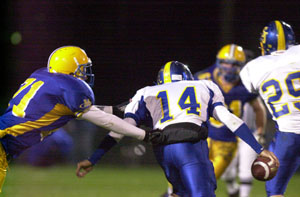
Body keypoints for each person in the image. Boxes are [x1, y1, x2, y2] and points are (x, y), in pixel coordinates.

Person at [76, 61, 278, 197]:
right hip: (190, 146)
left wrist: (94, 158)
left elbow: (121, 128)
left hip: (163, 150)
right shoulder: (204, 85)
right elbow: (228, 119)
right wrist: (260, 149)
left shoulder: (146, 92)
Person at [0, 45, 159, 193]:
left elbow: (81, 110)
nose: (85, 74)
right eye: (82, 69)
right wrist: (144, 135)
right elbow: (106, 121)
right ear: (69, 70)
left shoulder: (44, 78)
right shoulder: (69, 88)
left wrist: (115, 110)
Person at [193, 44, 267, 197]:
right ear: (218, 62)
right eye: (226, 62)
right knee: (187, 175)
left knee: (206, 181)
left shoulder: (246, 85)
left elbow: (259, 109)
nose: (229, 67)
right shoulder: (204, 78)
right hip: (204, 137)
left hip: (227, 142)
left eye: (234, 64)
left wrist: (260, 132)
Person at [240, 20, 300, 197]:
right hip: (287, 133)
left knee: (274, 191)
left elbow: (249, 91)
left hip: (288, 135)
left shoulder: (252, 68)